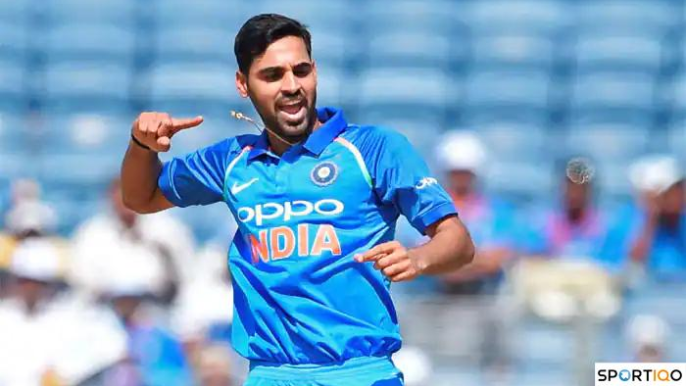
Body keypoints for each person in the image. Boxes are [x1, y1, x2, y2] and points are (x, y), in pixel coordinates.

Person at [120, 14, 474, 386]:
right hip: (271, 375)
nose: (291, 86)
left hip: (361, 372)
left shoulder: (374, 149)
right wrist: (142, 146)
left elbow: (459, 243)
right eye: (273, 75)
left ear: (315, 71)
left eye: (300, 71)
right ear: (243, 84)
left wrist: (418, 259)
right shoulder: (231, 161)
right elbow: (140, 198)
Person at [70, 178, 196, 304]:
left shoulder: (168, 230)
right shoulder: (92, 234)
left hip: (158, 304)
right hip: (108, 306)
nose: (126, 203)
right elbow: (82, 280)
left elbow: (185, 271)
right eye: (121, 198)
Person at [603, 155, 686, 277]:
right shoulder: (625, 221)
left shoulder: (681, 222)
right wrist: (651, 216)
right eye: (672, 190)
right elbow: (629, 267)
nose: (679, 196)